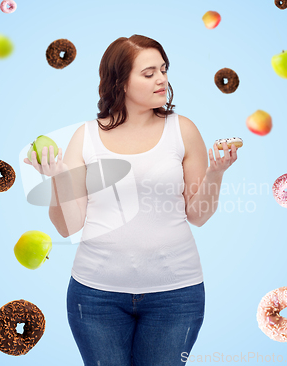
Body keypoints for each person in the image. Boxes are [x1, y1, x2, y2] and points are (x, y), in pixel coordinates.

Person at [24, 34, 238, 366]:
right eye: (149, 72)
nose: (162, 79)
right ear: (120, 82)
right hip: (95, 298)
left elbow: (197, 215)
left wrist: (217, 171)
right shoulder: (86, 137)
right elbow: (69, 226)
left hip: (176, 297)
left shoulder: (183, 130)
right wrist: (57, 177)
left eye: (163, 70)